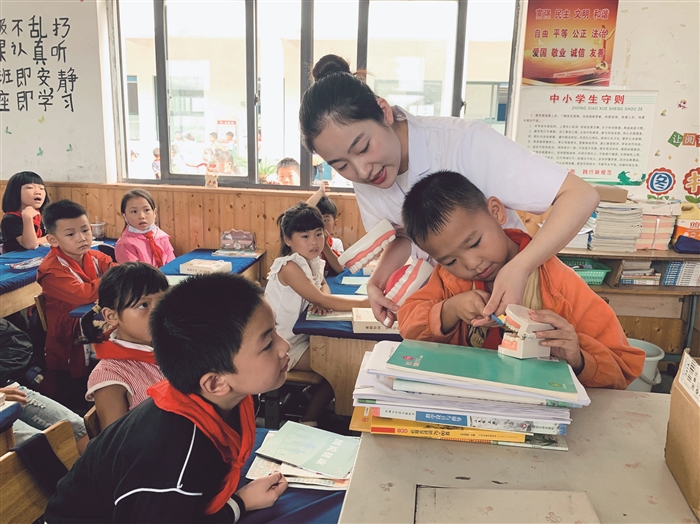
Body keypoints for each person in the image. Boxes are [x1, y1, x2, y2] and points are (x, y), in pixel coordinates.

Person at [299, 54, 600, 327]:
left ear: (384, 111)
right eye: (342, 165)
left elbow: (580, 196)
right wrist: (376, 282)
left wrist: (520, 267)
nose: (362, 170)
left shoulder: (463, 143)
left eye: (364, 147)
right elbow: (404, 235)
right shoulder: (368, 176)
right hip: (451, 304)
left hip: (518, 294)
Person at [45, 273, 289, 523]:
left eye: (275, 332)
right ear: (215, 383)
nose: (285, 347)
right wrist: (240, 503)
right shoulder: (174, 458)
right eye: (267, 344)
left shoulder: (223, 399)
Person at [397, 171, 645, 389]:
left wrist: (578, 357)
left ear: (496, 212)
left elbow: (623, 368)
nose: (471, 264)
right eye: (451, 260)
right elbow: (408, 324)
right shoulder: (448, 280)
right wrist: (450, 309)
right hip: (473, 401)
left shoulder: (559, 285)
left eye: (474, 243)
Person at [264, 202, 369, 425]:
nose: (314, 241)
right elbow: (322, 297)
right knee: (341, 368)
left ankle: (308, 398)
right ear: (288, 240)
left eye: (319, 234)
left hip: (300, 337)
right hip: (282, 344)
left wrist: (319, 298)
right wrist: (367, 303)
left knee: (342, 358)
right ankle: (308, 421)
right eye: (305, 236)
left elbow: (322, 285)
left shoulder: (312, 261)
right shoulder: (289, 267)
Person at [36, 200, 116, 385]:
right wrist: (111, 280)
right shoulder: (51, 270)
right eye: (70, 234)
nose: (81, 238)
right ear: (53, 240)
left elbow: (118, 271)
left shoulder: (94, 256)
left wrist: (115, 277)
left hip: (97, 322)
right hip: (70, 336)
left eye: (85, 230)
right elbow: (83, 294)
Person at [82, 263, 169, 431]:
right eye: (143, 305)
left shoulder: (174, 346)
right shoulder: (110, 376)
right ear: (111, 316)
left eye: (163, 301)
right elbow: (117, 442)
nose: (159, 312)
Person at [1, 319, 88, 454]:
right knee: (36, 446)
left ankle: (101, 465)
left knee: (75, 426)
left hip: (5, 388)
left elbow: (17, 344)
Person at [115, 189, 175, 268]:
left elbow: (172, 264)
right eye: (134, 211)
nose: (141, 216)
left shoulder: (161, 236)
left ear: (154, 213)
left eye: (146, 210)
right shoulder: (125, 244)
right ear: (124, 217)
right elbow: (135, 273)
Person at [1, 171, 51, 252]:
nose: (38, 192)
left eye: (42, 188)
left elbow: (53, 237)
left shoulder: (40, 214)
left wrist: (37, 241)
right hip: (16, 258)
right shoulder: (10, 219)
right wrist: (27, 217)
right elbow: (30, 245)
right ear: (16, 192)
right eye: (30, 188)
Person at [306, 182, 344, 275]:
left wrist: (325, 245)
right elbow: (303, 211)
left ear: (335, 224)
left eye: (326, 220)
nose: (321, 225)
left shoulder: (336, 243)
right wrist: (320, 193)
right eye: (317, 219)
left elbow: (340, 269)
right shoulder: (305, 243)